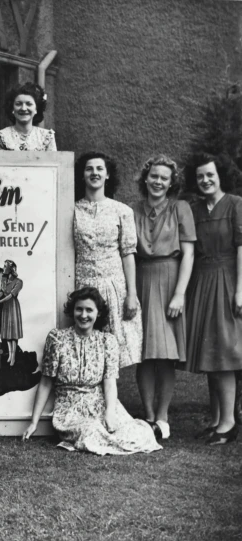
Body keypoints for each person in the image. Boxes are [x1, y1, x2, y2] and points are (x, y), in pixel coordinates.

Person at [22, 287, 162, 455]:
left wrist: (110, 413)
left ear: (98, 313)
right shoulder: (57, 339)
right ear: (72, 310)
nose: (83, 315)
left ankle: (143, 430)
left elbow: (110, 384)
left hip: (100, 403)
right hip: (70, 410)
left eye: (89, 310)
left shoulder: (107, 341)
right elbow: (46, 383)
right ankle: (106, 439)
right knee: (91, 431)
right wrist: (34, 422)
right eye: (79, 309)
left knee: (135, 432)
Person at [130, 155, 195, 440]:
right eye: (154, 176)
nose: (158, 181)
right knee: (143, 354)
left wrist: (179, 294)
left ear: (171, 183)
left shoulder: (180, 208)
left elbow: (189, 254)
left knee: (166, 354)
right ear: (146, 178)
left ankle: (163, 416)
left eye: (164, 178)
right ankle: (146, 415)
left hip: (170, 279)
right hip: (142, 279)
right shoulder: (131, 209)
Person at [184, 153, 242, 445]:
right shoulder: (194, 209)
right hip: (202, 282)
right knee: (211, 354)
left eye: (210, 175)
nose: (205, 180)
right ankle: (218, 419)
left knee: (224, 354)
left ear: (220, 176)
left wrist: (240, 289)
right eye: (200, 176)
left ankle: (230, 423)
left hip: (228, 279)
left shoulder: (235, 204)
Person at [74, 151, 142, 368]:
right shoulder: (71, 210)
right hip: (82, 286)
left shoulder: (122, 211)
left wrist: (131, 294)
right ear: (82, 175)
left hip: (113, 287)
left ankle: (112, 399)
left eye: (99, 169)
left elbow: (128, 253)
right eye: (89, 169)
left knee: (112, 348)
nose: (94, 173)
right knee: (84, 346)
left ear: (108, 175)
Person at [0, 82, 56, 151]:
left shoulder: (47, 137)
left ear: (36, 109)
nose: (23, 108)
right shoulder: (1, 137)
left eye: (29, 104)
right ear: (12, 108)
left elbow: (53, 161)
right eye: (18, 104)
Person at [0, 259, 24, 366]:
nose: (4, 268)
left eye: (6, 266)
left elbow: (10, 295)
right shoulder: (4, 279)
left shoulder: (19, 281)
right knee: (7, 334)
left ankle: (13, 357)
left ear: (11, 268)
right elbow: (2, 292)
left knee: (13, 334)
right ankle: (10, 356)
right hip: (5, 307)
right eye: (4, 266)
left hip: (13, 306)